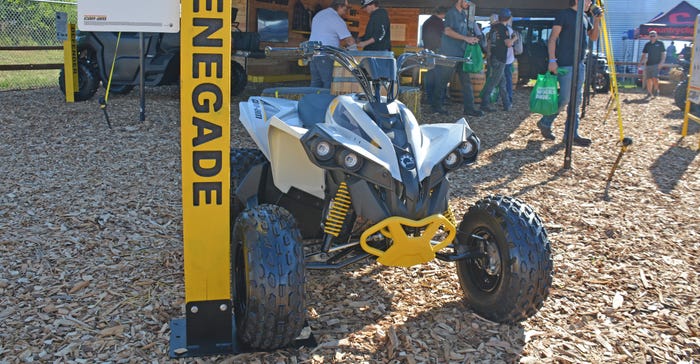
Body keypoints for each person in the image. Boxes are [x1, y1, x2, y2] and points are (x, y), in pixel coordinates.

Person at [535, 0, 601, 147]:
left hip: (579, 64)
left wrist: (596, 21)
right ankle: (545, 121)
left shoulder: (584, 17)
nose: (590, 2)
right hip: (565, 64)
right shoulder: (564, 15)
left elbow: (594, 37)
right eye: (588, 0)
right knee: (565, 99)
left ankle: (571, 134)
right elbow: (552, 38)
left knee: (576, 101)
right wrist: (552, 60)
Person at [432, 0, 485, 117]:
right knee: (443, 81)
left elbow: (462, 32)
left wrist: (471, 38)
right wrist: (466, 38)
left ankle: (469, 109)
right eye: (467, 1)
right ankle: (436, 107)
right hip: (450, 53)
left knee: (466, 82)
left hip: (462, 54)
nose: (468, 4)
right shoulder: (451, 13)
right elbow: (447, 31)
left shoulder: (462, 14)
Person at [308, 0, 356, 88]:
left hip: (313, 54)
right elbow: (350, 41)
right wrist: (356, 57)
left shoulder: (319, 15)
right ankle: (327, 102)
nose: (346, 12)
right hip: (326, 56)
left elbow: (324, 35)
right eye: (345, 9)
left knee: (316, 84)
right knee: (329, 84)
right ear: (340, 7)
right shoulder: (336, 19)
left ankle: (312, 101)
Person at [480, 8, 516, 112]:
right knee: (493, 82)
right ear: (508, 18)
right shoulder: (503, 29)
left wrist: (489, 56)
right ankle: (484, 104)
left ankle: (507, 104)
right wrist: (514, 38)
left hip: (494, 57)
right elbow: (508, 43)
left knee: (502, 82)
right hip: (500, 58)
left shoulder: (493, 28)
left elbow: (489, 43)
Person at [421, 6, 447, 106]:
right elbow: (443, 37)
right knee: (438, 76)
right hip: (437, 52)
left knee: (430, 74)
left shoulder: (427, 22)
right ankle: (436, 100)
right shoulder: (439, 22)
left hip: (428, 51)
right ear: (443, 14)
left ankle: (429, 97)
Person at [639, 31, 666, 98]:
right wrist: (640, 62)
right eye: (651, 36)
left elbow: (663, 54)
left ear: (656, 36)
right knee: (648, 79)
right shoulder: (647, 44)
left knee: (655, 78)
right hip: (648, 64)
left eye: (654, 36)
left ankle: (656, 90)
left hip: (656, 63)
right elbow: (644, 54)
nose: (652, 37)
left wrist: (662, 62)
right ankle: (649, 92)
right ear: (649, 37)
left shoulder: (660, 43)